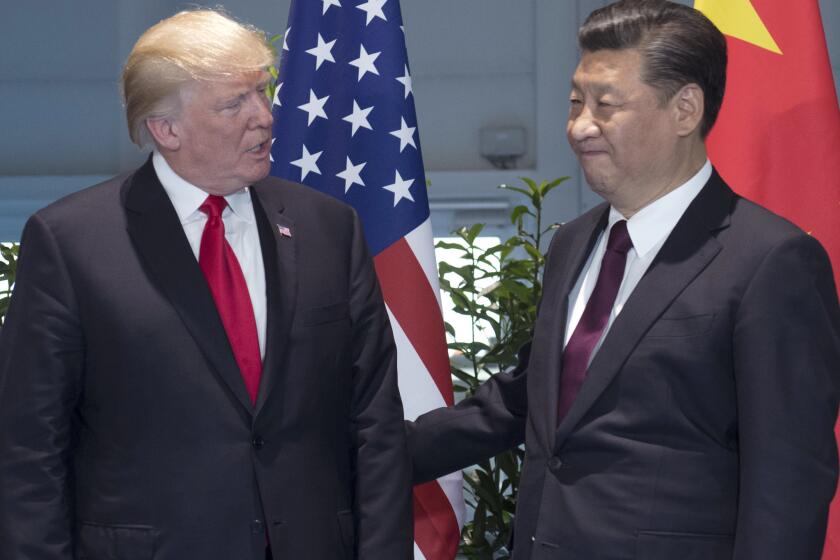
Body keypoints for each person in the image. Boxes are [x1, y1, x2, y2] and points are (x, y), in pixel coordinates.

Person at [408, 1, 840, 558]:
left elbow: (788, 486)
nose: (580, 126)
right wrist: (368, 451)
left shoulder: (771, 260)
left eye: (605, 105)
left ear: (685, 109)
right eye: (574, 103)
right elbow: (530, 399)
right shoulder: (572, 244)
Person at [0, 9, 412, 560]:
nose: (264, 117)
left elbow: (375, 423)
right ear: (165, 129)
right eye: (233, 103)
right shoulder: (70, 242)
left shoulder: (329, 228)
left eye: (262, 93)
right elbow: (30, 448)